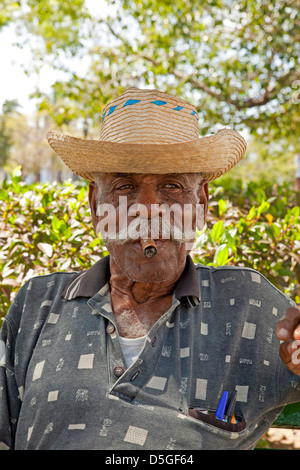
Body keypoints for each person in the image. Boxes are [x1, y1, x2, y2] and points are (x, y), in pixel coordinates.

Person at [0, 87, 299, 451]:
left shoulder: (250, 305)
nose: (149, 208)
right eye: (125, 186)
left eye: (172, 186)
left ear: (201, 203)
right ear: (96, 204)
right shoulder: (38, 302)